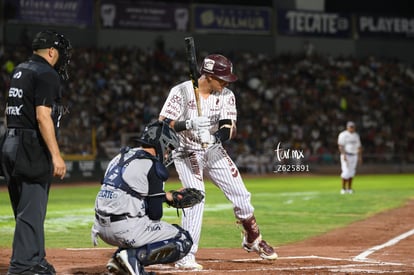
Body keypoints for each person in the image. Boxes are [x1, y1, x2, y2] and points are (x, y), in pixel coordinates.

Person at [159, 54, 277, 270]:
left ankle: (253, 239)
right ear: (208, 76)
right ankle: (185, 255)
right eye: (222, 78)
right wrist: (189, 123)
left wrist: (214, 137)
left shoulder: (226, 95)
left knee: (241, 195)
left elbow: (229, 128)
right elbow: (163, 122)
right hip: (187, 152)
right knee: (195, 197)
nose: (225, 82)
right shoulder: (181, 91)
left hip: (213, 150)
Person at [0, 30, 72, 275]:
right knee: (31, 209)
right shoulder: (46, 73)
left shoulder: (20, 69)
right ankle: (23, 266)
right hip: (30, 146)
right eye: (60, 53)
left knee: (26, 209)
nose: (61, 58)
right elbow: (43, 116)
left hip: (11, 142)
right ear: (51, 52)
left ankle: (35, 258)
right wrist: (56, 155)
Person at [91, 121, 195, 275]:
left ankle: (118, 261)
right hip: (123, 230)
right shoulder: (153, 165)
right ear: (161, 143)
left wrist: (166, 197)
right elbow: (155, 214)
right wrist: (167, 200)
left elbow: (125, 191)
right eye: (168, 148)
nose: (167, 154)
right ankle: (132, 257)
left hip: (100, 227)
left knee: (139, 220)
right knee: (183, 239)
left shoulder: (120, 156)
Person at [338, 121, 362, 194]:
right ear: (347, 127)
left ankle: (349, 189)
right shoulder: (343, 135)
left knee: (352, 172)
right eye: (350, 127)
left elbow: (359, 146)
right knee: (345, 171)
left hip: (354, 155)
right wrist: (344, 155)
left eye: (353, 127)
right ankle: (343, 189)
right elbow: (340, 146)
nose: (351, 128)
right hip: (346, 155)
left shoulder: (356, 135)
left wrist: (359, 157)